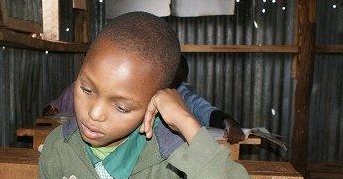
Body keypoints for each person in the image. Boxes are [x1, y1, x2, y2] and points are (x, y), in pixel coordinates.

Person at [0, 12, 275, 179]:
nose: (94, 113)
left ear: (154, 104)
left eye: (121, 106)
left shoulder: (181, 158)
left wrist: (188, 124)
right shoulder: (59, 148)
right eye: (86, 89)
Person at [43, 55, 246, 144]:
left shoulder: (183, 96)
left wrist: (228, 122)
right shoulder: (131, 90)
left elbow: (206, 111)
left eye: (173, 84)